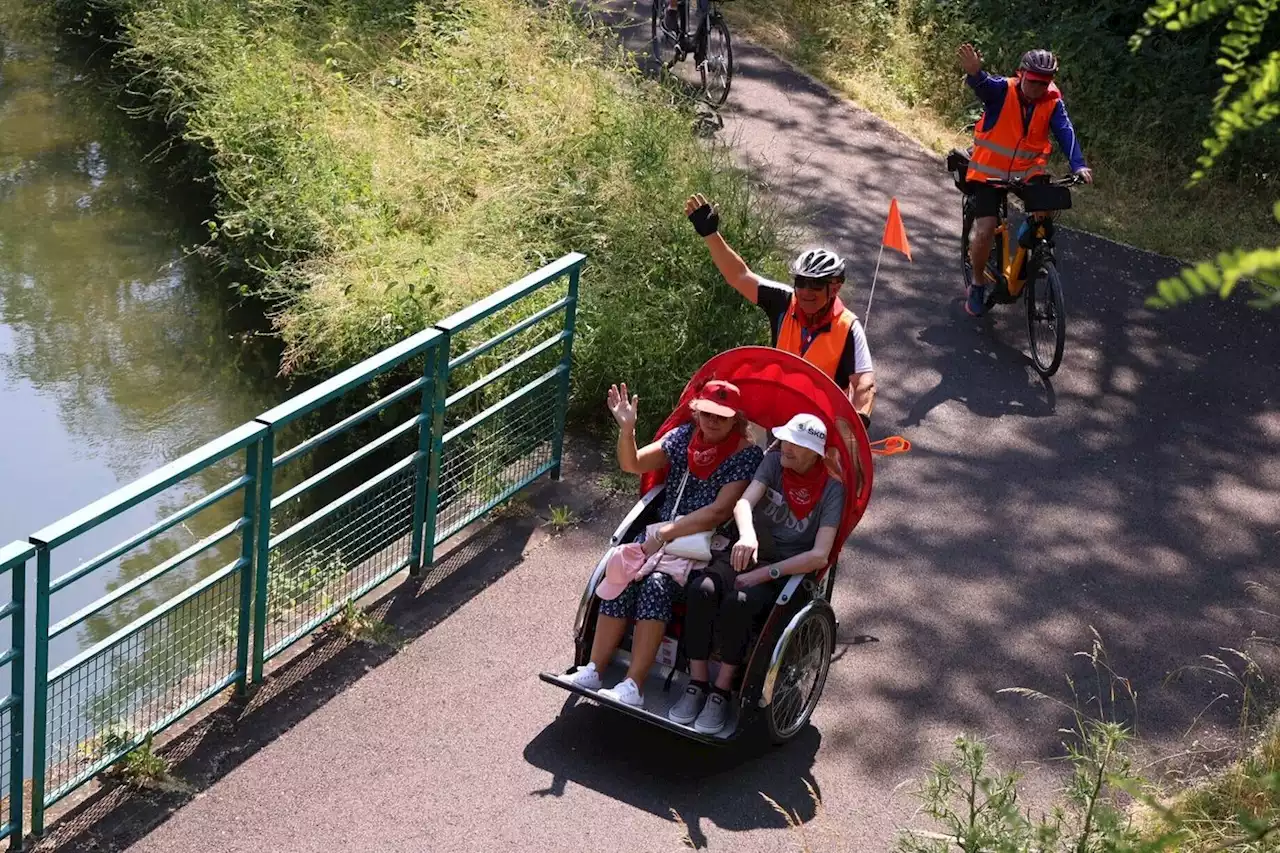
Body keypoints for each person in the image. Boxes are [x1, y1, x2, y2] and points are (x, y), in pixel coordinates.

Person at [566, 379, 764, 708]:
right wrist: (627, 429)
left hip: (701, 546)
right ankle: (595, 669)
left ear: (736, 419)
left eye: (723, 416)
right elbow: (632, 464)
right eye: (708, 413)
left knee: (656, 585)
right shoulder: (685, 437)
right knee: (621, 577)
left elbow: (718, 512)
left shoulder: (746, 454)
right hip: (659, 539)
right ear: (697, 411)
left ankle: (634, 685)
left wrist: (667, 533)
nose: (713, 421)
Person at [668, 413, 845, 734]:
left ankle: (721, 691)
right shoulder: (774, 463)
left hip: (785, 571)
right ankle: (696, 682)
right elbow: (743, 504)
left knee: (739, 600)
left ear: (815, 454)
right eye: (786, 441)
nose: (786, 448)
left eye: (796, 445)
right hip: (747, 550)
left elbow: (819, 555)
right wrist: (747, 535)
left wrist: (764, 574)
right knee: (701, 589)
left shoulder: (832, 490)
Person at [683, 194, 876, 427]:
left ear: (835, 287)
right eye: (801, 282)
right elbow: (739, 276)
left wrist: (858, 421)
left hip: (820, 429)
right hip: (775, 416)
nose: (805, 291)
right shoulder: (784, 302)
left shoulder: (848, 327)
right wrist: (711, 235)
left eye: (815, 285)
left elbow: (864, 382)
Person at [958, 43, 1094, 317]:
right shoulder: (1002, 90)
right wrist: (974, 73)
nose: (1038, 88)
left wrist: (1078, 165)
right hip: (989, 171)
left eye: (1045, 83)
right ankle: (977, 283)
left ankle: (1030, 252)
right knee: (985, 229)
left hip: (1027, 170)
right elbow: (983, 85)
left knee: (1045, 216)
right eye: (1033, 82)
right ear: (1021, 75)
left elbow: (1065, 131)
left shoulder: (1052, 101)